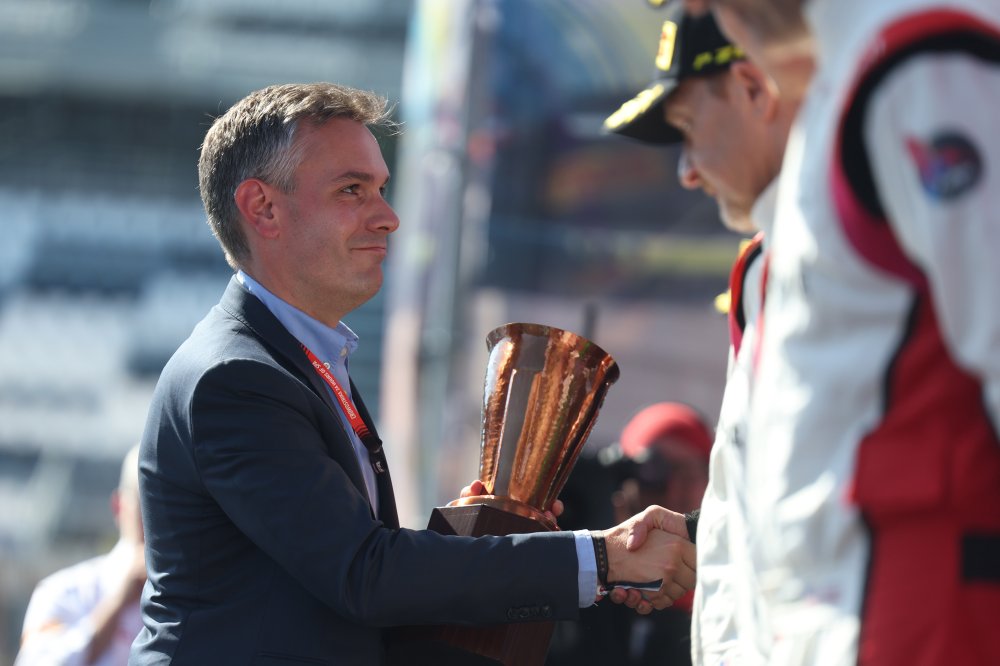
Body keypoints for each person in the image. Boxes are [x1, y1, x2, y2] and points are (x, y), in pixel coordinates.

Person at [129, 82, 699, 666]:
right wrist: (599, 558)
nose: (388, 217)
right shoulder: (237, 378)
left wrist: (485, 525)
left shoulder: (292, 359)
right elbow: (365, 574)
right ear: (262, 208)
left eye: (381, 189)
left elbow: (352, 573)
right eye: (351, 190)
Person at [658, 0, 1000, 663]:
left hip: (926, 614)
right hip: (860, 616)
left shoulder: (919, 65)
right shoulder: (857, 82)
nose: (703, 10)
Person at [605, 5, 798, 663]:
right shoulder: (773, 258)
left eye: (688, 128)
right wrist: (699, 533)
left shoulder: (846, 242)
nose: (687, 171)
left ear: (752, 88)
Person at [15, 445, 145, 666]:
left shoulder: (200, 598)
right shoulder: (62, 591)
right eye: (148, 501)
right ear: (119, 506)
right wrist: (118, 603)